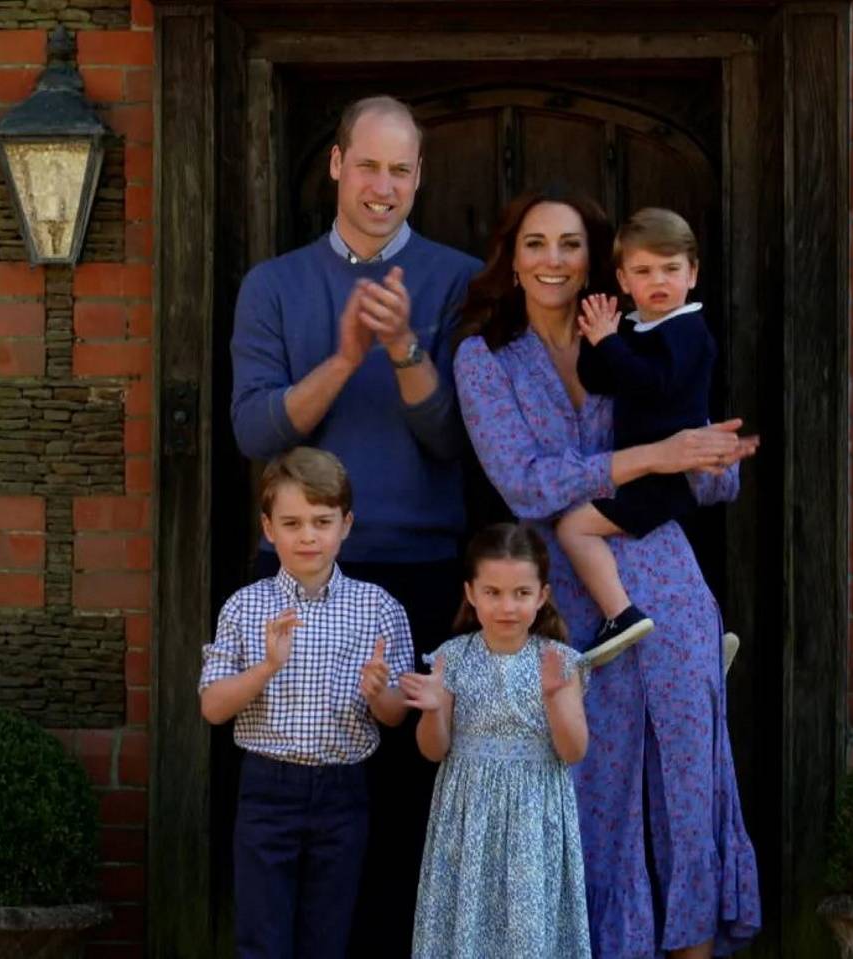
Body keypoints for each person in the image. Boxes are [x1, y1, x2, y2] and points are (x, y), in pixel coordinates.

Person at [453, 191, 761, 959]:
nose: (553, 260)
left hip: (668, 581)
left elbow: (706, 475)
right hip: (566, 600)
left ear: (597, 262)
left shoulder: (645, 331)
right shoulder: (484, 356)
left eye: (568, 245)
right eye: (535, 244)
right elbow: (525, 484)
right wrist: (654, 457)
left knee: (689, 786)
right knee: (590, 795)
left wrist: (711, 459)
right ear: (512, 258)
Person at [228, 95, 480, 955]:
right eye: (367, 165)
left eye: (400, 169)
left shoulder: (459, 280)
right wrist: (343, 357)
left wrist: (406, 347)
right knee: (291, 806)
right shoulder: (274, 284)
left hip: (417, 569)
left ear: (419, 178)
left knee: (404, 808)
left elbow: (453, 439)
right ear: (336, 164)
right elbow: (257, 432)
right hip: (298, 574)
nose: (382, 185)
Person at [198, 448, 413, 959]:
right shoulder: (246, 606)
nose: (308, 536)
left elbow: (397, 714)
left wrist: (378, 691)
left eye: (322, 522)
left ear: (346, 524)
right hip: (267, 788)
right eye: (292, 523)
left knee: (328, 936)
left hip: (343, 791)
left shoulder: (378, 607)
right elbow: (212, 707)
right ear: (268, 529)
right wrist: (267, 667)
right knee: (261, 937)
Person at [402, 522, 592, 959]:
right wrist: (433, 708)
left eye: (521, 593)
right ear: (471, 593)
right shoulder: (453, 657)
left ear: (542, 595)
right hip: (468, 816)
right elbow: (433, 750)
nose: (507, 606)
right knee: (468, 925)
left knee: (529, 931)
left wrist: (556, 698)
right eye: (493, 592)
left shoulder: (560, 661)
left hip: (534, 815)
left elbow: (573, 751)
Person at [558, 208, 716, 667]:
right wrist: (597, 338)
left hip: (663, 477)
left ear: (693, 273)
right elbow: (599, 379)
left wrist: (611, 342)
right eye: (644, 271)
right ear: (624, 280)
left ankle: (620, 615)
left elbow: (652, 384)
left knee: (574, 527)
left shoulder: (688, 330)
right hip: (641, 470)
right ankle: (698, 639)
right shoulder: (636, 327)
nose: (659, 281)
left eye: (671, 269)